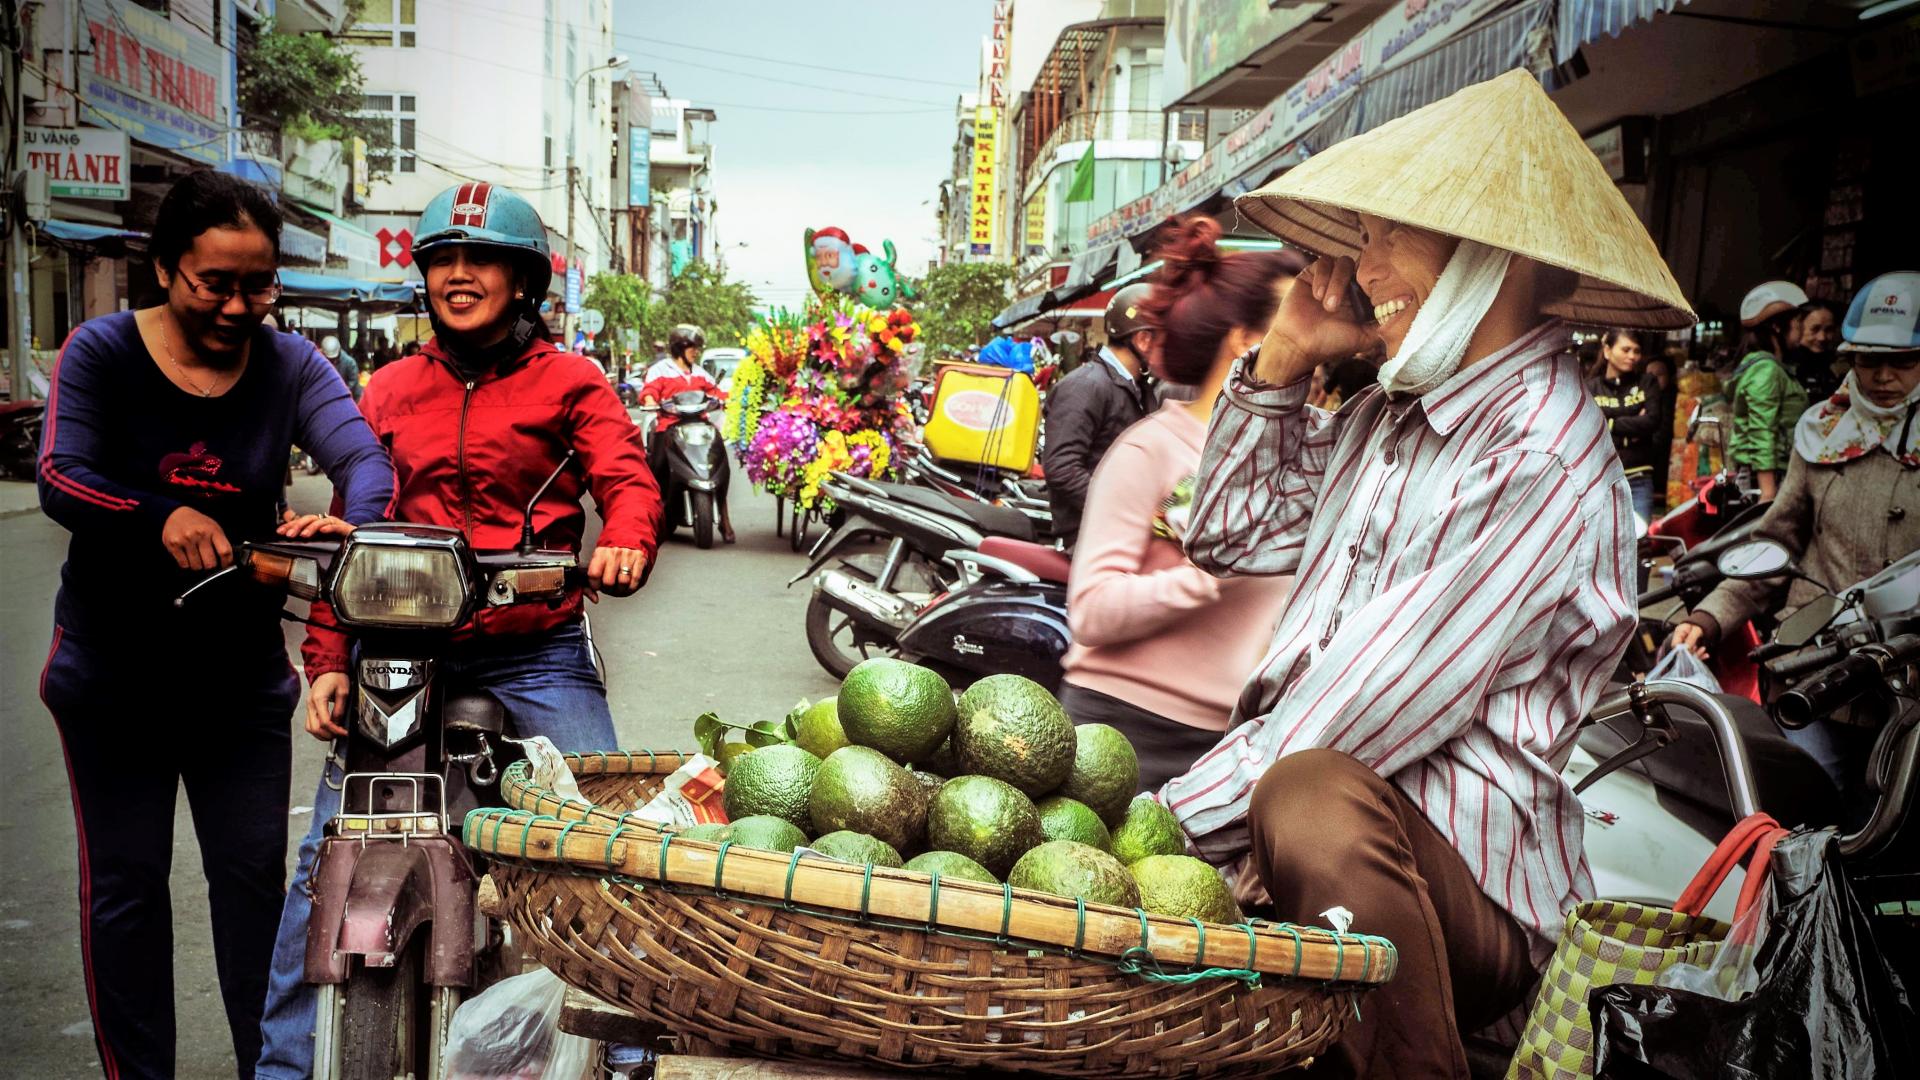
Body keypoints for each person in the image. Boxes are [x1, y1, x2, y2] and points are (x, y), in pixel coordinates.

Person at [1158, 70, 1695, 1076]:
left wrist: (1161, 828)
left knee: (1302, 790)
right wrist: (1280, 362)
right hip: (1349, 833)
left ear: (1489, 260)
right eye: (1362, 238)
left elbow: (1365, 708)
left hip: (1470, 890)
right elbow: (1224, 531)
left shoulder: (1538, 449)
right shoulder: (1385, 421)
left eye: (1393, 235)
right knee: (1284, 791)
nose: (1367, 268)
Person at [254, 182, 663, 1079]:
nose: (459, 275)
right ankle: (282, 1068)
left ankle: (629, 1046)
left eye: (482, 260)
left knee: (601, 845)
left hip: (535, 644)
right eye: (443, 259)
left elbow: (626, 482)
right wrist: (326, 657)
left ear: (523, 282)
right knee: (323, 857)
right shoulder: (392, 387)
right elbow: (358, 528)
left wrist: (626, 540)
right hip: (397, 647)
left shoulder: (573, 381)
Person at [36, 169, 394, 1079]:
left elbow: (362, 456)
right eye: (216, 283)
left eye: (259, 283)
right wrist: (157, 515)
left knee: (250, 888)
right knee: (126, 890)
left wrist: (352, 515)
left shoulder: (291, 364)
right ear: (166, 269)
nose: (240, 305)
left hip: (236, 679)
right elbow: (61, 475)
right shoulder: (102, 351)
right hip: (112, 673)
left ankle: (260, 1073)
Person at [1059, 218, 1300, 791]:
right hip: (1121, 732)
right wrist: (1209, 573)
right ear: (1248, 340)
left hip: (1234, 745)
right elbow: (1091, 611)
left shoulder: (1307, 454)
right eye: (1298, 314)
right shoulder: (1151, 448)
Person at [1670, 270, 1920, 779]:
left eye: (1903, 362)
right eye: (1868, 360)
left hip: (1907, 687)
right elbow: (1774, 546)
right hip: (1812, 671)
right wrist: (1709, 619)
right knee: (1805, 812)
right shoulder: (1822, 433)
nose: (1882, 376)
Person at [1041, 284, 1153, 546]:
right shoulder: (1086, 385)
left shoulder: (1139, 388)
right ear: (1144, 340)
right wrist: (1120, 510)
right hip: (1091, 542)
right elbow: (1062, 467)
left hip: (1122, 537)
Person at [639, 322, 735, 543]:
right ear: (679, 347)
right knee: (658, 468)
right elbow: (649, 393)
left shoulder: (701, 374)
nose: (696, 351)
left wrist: (730, 400)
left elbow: (716, 392)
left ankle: (724, 516)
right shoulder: (660, 370)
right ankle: (656, 513)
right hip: (670, 427)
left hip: (700, 428)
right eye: (692, 347)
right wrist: (651, 401)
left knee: (721, 462)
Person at [1728, 280, 1812, 500]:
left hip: (1774, 473)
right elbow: (1762, 429)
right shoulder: (1766, 370)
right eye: (1797, 322)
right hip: (1765, 479)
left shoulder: (1774, 368)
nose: (1802, 329)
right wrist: (1768, 494)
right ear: (1777, 327)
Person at [1586, 329, 1662, 521]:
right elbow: (1587, 427)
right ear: (1607, 350)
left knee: (1640, 543)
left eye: (1636, 351)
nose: (1632, 356)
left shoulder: (1647, 382)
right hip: (1599, 480)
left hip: (1639, 478)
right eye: (1626, 349)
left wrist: (1608, 423)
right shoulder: (1591, 387)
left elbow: (1652, 421)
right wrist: (1635, 420)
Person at [1791, 298, 1845, 401]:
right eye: (1815, 329)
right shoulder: (1788, 369)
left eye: (1829, 330)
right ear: (1798, 328)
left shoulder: (1833, 367)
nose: (1822, 337)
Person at [317, 334, 359, 401]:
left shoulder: (350, 363)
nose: (333, 361)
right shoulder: (319, 361)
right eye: (330, 359)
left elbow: (352, 383)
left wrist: (339, 393)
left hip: (347, 398)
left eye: (334, 358)